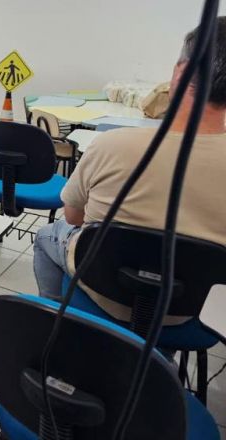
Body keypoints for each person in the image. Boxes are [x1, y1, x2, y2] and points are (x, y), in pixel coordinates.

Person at [33, 17, 226, 321]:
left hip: (102, 291)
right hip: (191, 310)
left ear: (180, 72)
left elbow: (72, 217)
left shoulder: (111, 145)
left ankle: (59, 327)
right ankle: (159, 361)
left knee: (47, 236)